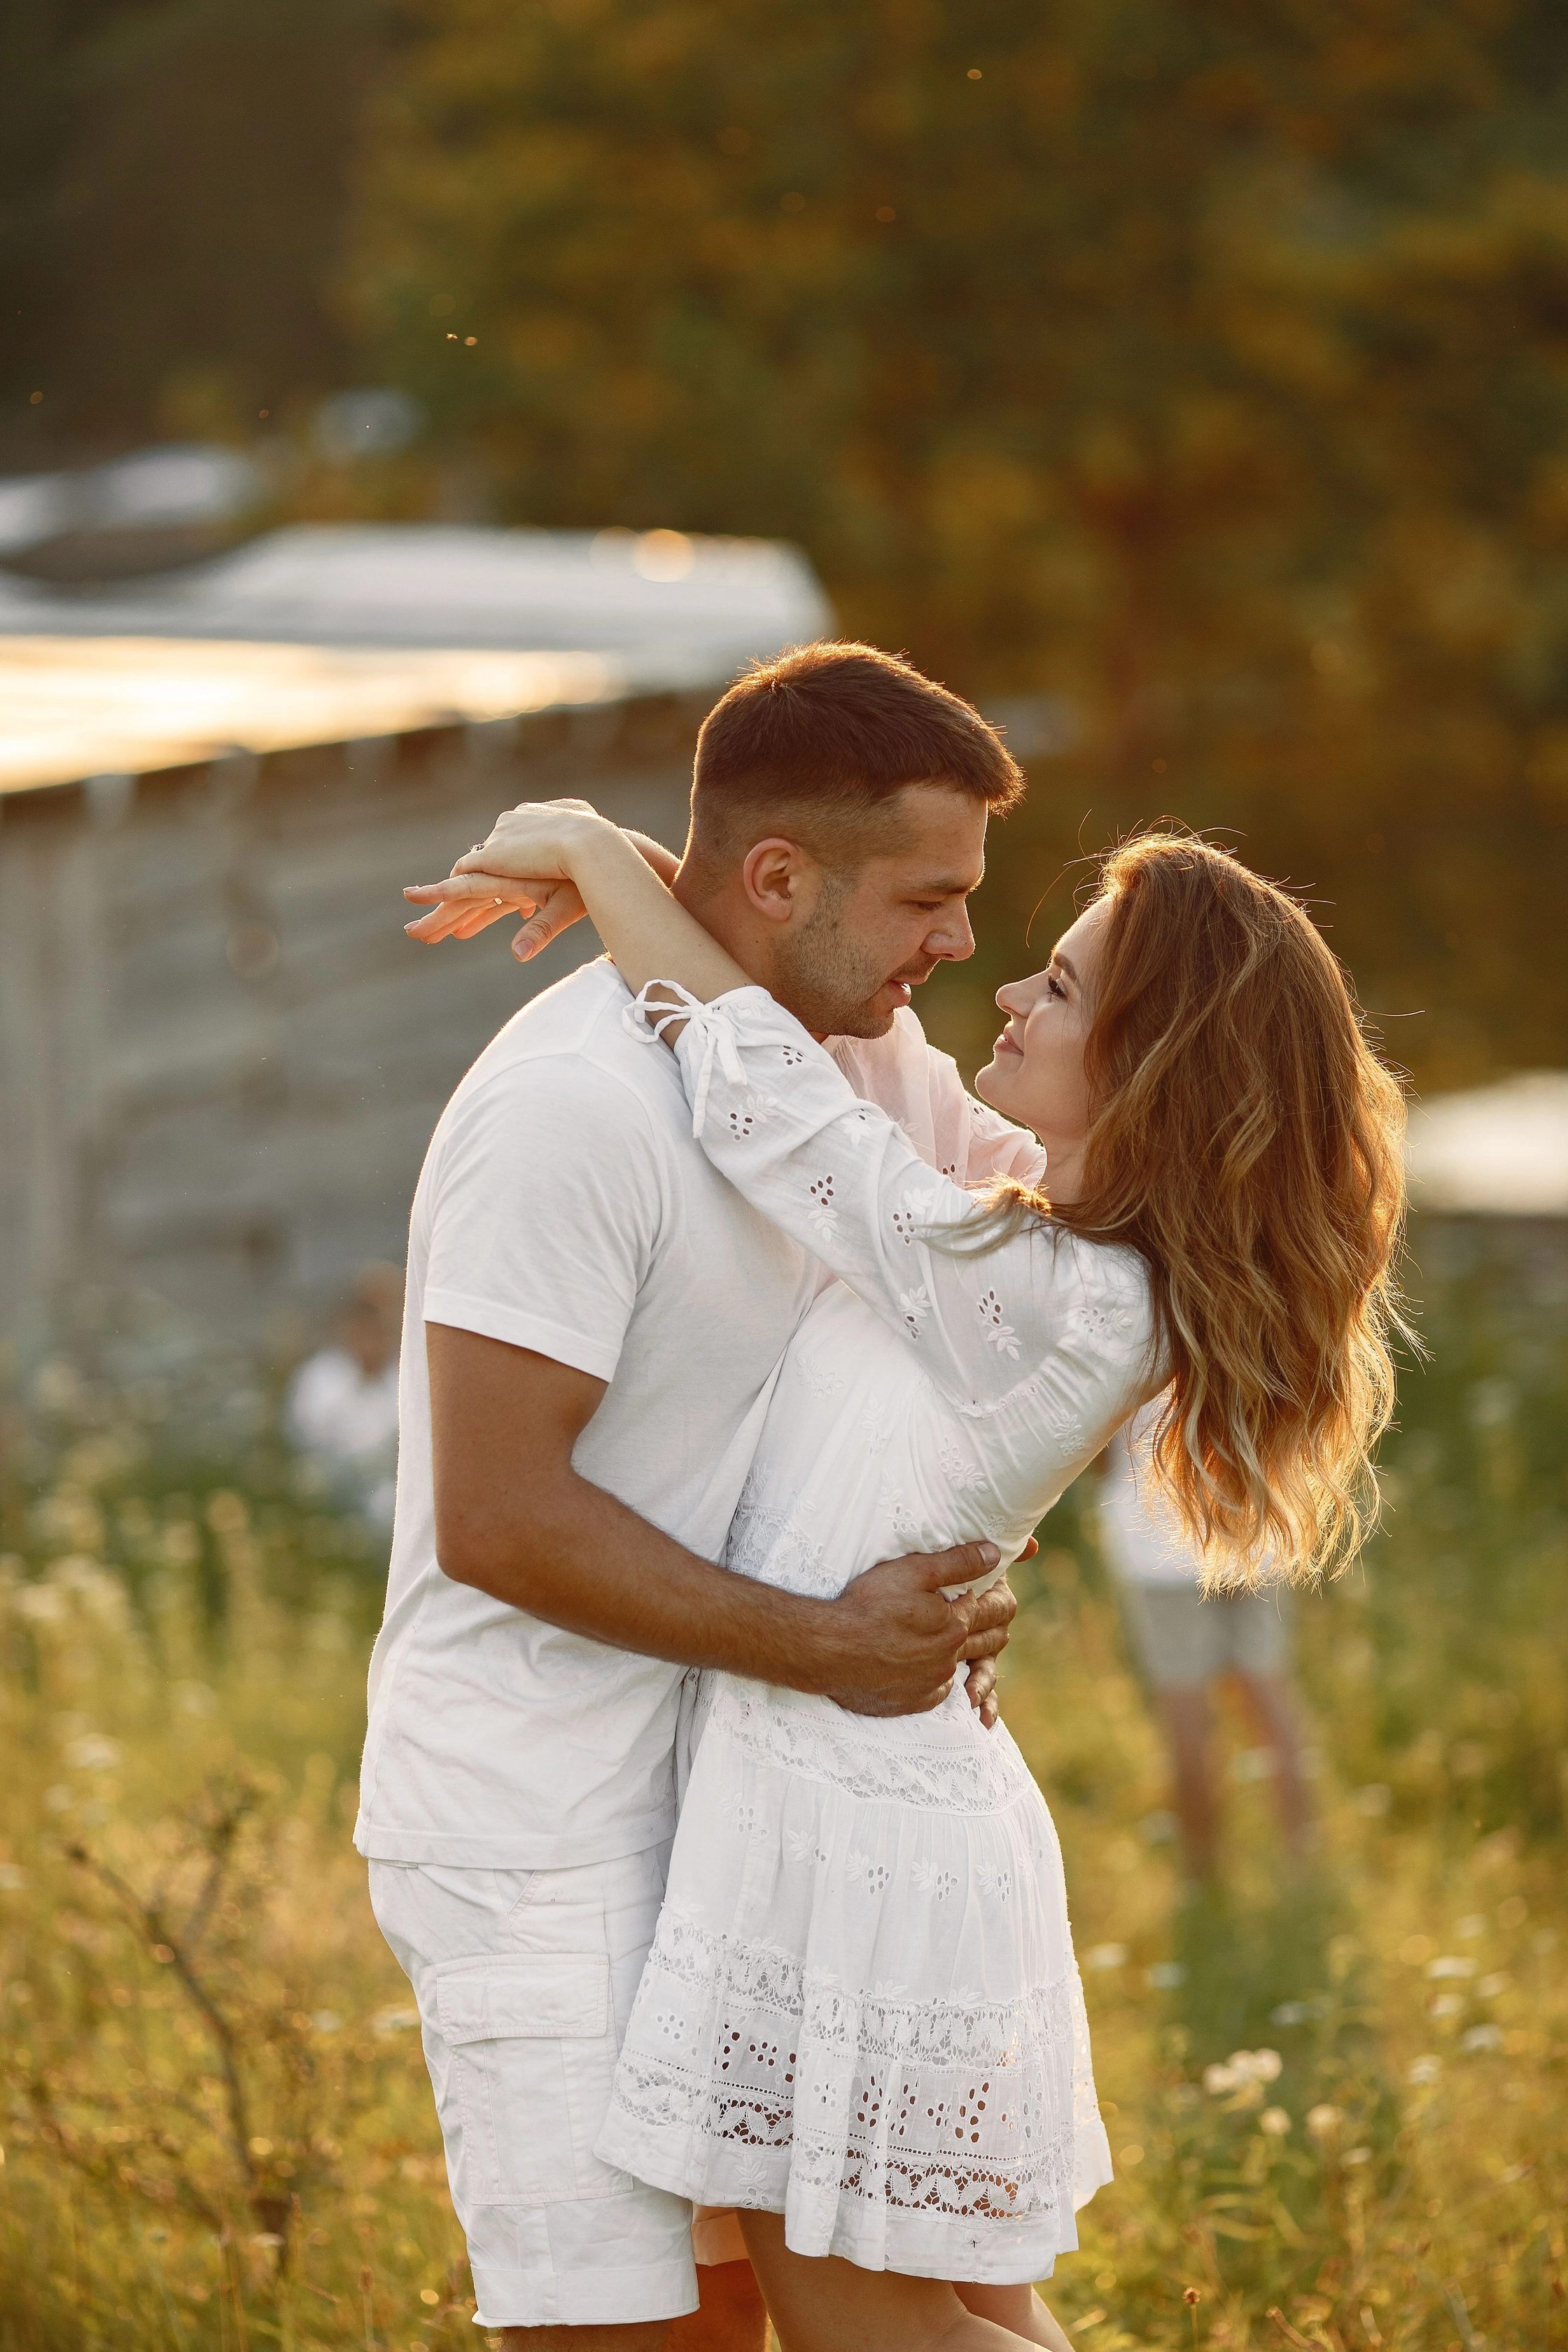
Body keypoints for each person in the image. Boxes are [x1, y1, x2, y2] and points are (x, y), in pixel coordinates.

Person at [419, 802, 1408, 2352]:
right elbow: (828, 1097)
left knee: (866, 2329)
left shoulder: (1041, 1290)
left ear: (1152, 1068)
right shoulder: (1051, 1250)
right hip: (869, 1798)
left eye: (1064, 989)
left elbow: (770, 1102)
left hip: (848, 1827)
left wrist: (594, 849)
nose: (1009, 992)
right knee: (964, 2314)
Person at [363, 645, 1036, 2352]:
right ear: (778, 878)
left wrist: (939, 1582)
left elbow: (1007, 1295)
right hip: (548, 1828)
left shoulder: (863, 1066)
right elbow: (496, 1518)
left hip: (757, 1814)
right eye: (928, 900)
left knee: (859, 2310)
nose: (958, 947)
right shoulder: (567, 1112)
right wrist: (826, 1642)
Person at [1098, 1402, 1315, 1883]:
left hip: (1160, 1542)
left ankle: (1203, 1878)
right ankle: (1303, 1865)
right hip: (1252, 1526)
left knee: (1187, 1715)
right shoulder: (1247, 1322)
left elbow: (1095, 1443)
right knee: (1270, 1695)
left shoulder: (1128, 1326)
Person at [285, 1261, 405, 1528]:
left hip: (392, 1503)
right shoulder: (319, 1378)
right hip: (332, 1504)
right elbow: (306, 1444)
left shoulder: (404, 1378)